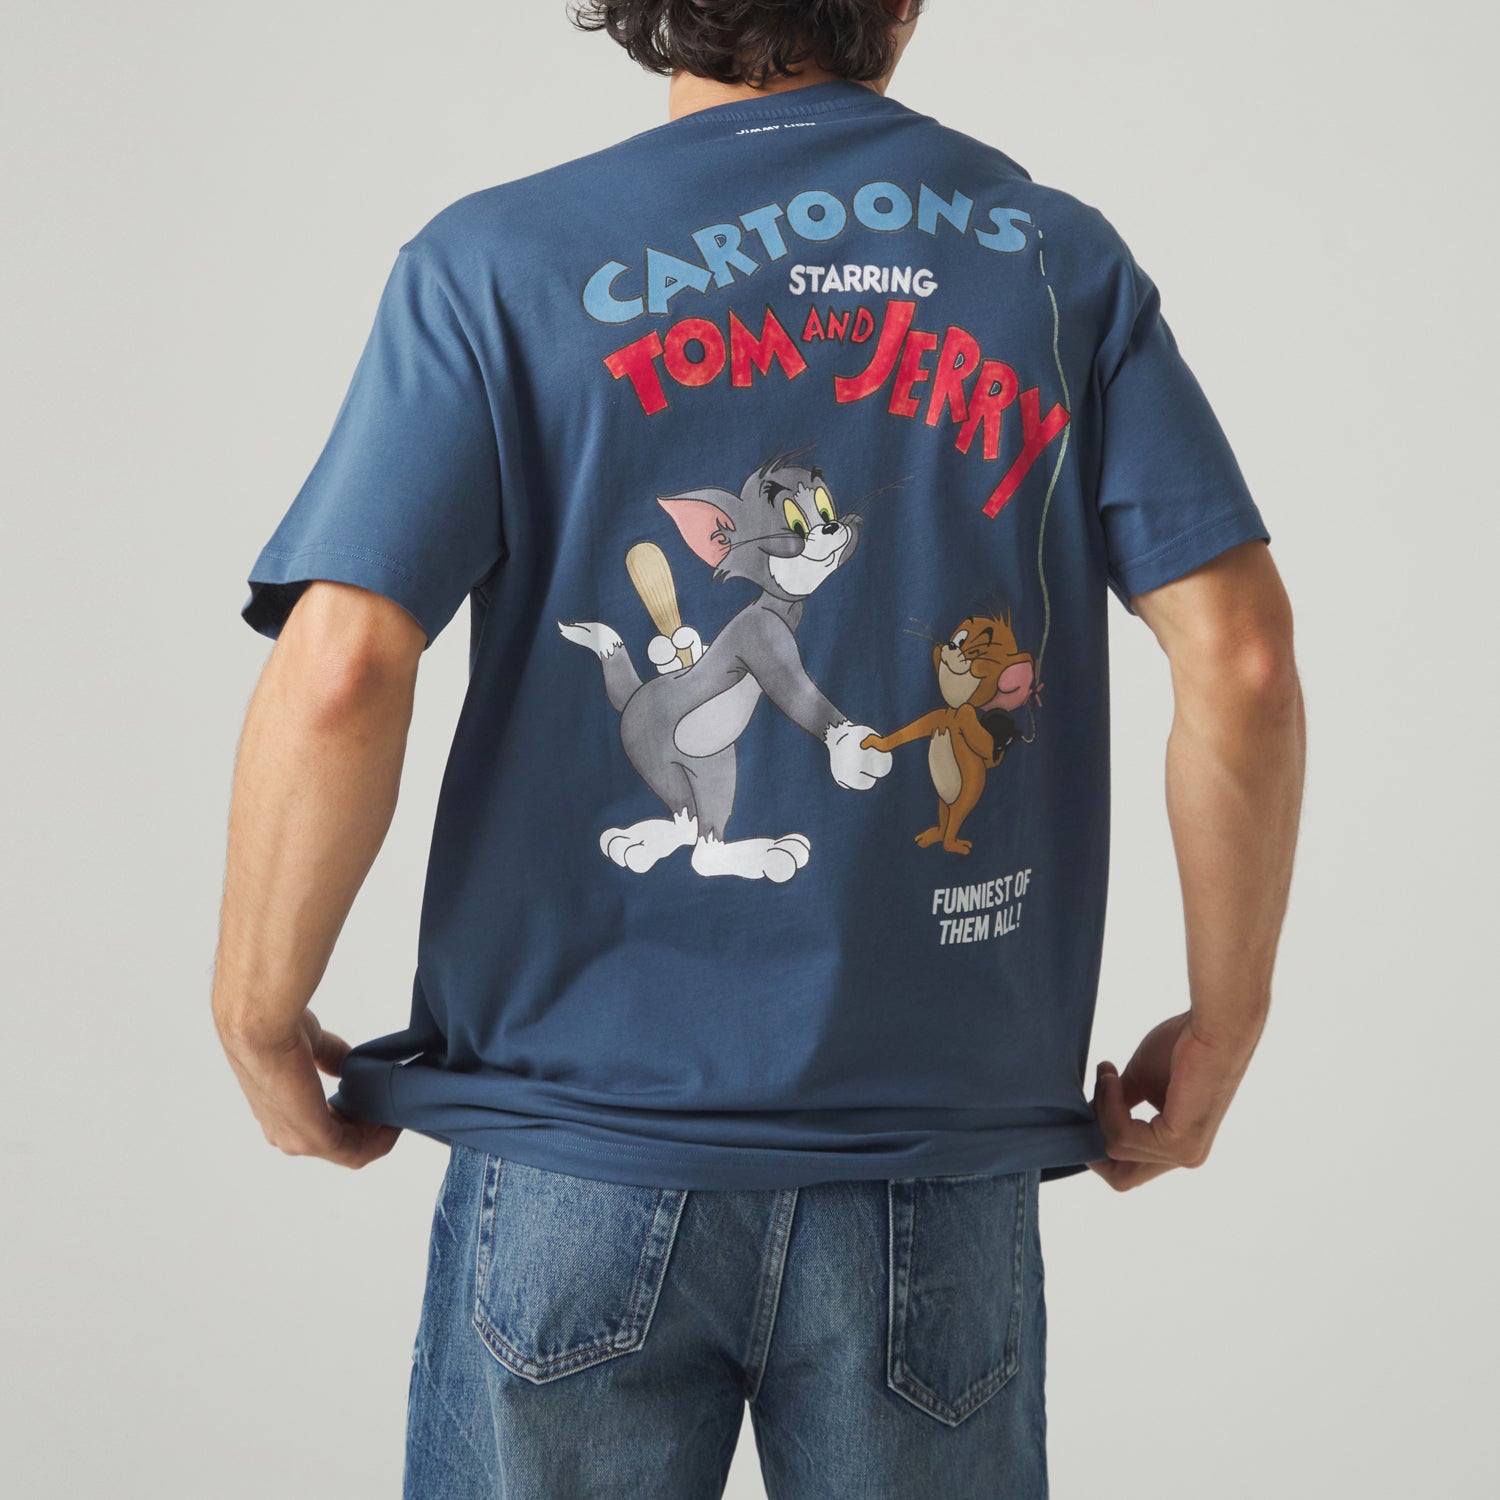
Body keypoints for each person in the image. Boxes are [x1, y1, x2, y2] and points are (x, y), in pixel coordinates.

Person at [212, 0, 1306, 1493]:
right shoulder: (1053, 265)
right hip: (929, 1168)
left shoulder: (495, 264)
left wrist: (257, 1010)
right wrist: (1226, 1024)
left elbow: (340, 667)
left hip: (575, 1150)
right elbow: (1243, 661)